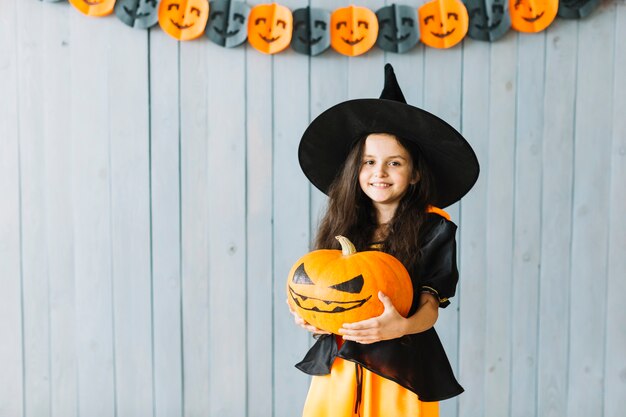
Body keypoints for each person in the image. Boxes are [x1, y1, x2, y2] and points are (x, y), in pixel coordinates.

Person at [289, 64, 480, 417]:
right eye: (369, 162)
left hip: (399, 367)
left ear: (414, 172)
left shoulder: (433, 227)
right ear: (355, 169)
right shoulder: (343, 221)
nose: (379, 172)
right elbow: (329, 289)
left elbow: (431, 305)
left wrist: (403, 325)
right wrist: (314, 317)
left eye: (394, 163)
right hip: (341, 364)